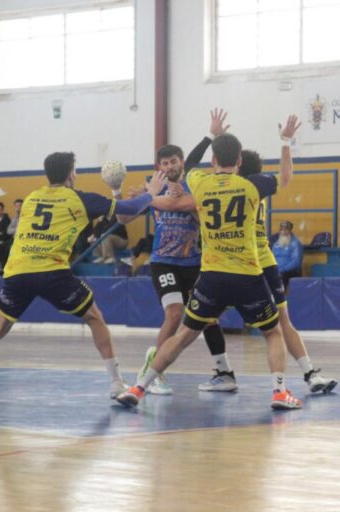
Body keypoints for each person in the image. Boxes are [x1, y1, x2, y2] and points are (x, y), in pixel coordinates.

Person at [116, 131, 304, 410]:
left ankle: (139, 387)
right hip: (247, 276)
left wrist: (148, 195)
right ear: (239, 160)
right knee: (273, 332)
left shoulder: (200, 183)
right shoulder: (252, 186)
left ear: (214, 159)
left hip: (211, 276)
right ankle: (279, 393)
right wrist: (286, 143)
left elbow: (189, 164)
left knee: (182, 336)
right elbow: (286, 178)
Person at [0, 151, 166, 400]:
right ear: (71, 174)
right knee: (94, 317)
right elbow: (128, 210)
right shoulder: (79, 199)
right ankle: (116, 383)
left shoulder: (32, 197)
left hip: (18, 270)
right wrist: (152, 194)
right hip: (52, 272)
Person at [115, 108, 237, 395]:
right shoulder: (153, 188)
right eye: (164, 162)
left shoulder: (195, 185)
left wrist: (188, 204)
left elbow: (203, 220)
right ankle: (153, 373)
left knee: (208, 317)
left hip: (193, 262)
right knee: (174, 314)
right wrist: (117, 193)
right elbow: (122, 220)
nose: (169, 166)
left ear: (182, 163)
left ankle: (224, 371)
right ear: (159, 166)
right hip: (163, 263)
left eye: (173, 161)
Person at [239, 144, 338, 394]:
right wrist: (285, 143)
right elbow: (285, 178)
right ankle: (309, 374)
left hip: (237, 263)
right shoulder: (257, 187)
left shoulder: (230, 186)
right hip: (263, 260)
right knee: (282, 323)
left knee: (196, 324)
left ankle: (222, 371)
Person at [271, 220, 303, 289]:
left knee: (280, 276)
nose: (284, 232)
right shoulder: (275, 244)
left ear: (290, 231)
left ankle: (281, 297)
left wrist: (283, 269)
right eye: (282, 230)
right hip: (277, 270)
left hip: (290, 271)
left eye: (286, 230)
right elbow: (272, 257)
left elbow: (296, 262)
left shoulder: (295, 243)